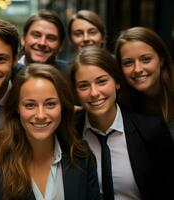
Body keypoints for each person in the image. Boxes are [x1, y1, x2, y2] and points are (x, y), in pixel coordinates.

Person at [0, 63, 100, 200]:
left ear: (62, 107)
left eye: (50, 104)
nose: (40, 115)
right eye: (30, 105)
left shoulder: (81, 156)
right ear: (17, 108)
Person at [70, 47, 174, 200]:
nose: (94, 93)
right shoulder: (70, 131)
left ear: (117, 82)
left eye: (102, 81)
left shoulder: (151, 130)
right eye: (84, 86)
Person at [114, 26, 174, 139]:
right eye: (128, 63)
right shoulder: (121, 104)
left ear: (161, 60)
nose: (137, 69)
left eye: (146, 59)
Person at [19, 9, 69, 78]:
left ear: (60, 46)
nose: (42, 43)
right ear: (23, 39)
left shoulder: (70, 74)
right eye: (36, 35)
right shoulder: (9, 73)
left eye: (51, 38)